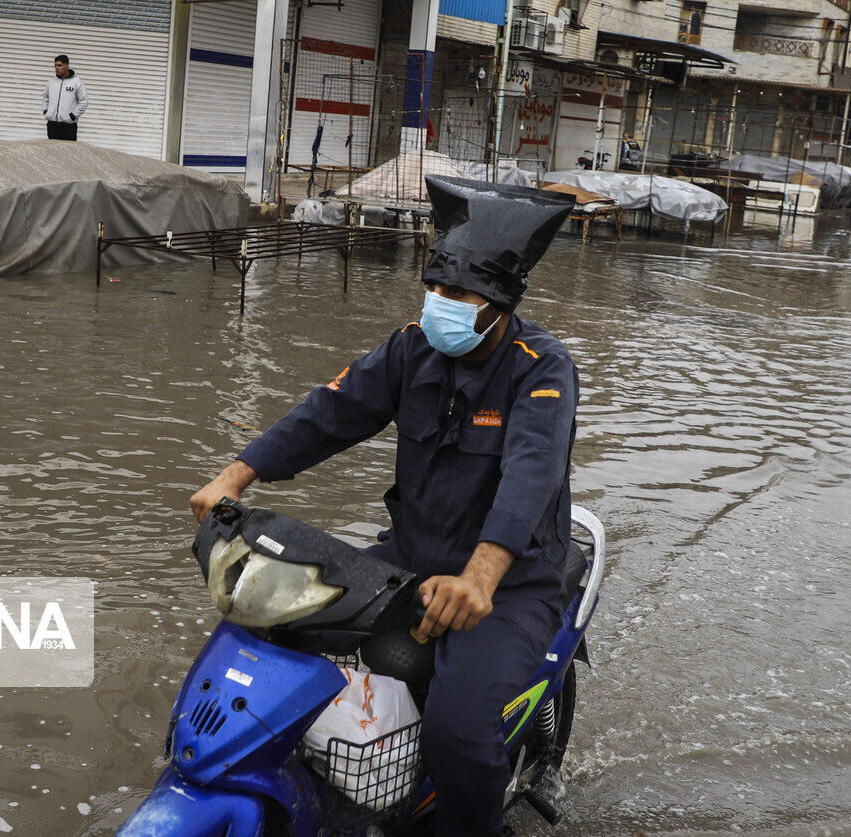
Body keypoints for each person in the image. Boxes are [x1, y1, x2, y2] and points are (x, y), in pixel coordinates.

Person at [190, 175, 578, 837]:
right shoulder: (411, 349)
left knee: (456, 732)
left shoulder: (540, 368)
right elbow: (328, 413)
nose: (438, 303)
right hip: (407, 559)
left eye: (456, 293)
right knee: (270, 637)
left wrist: (480, 576)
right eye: (433, 286)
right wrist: (234, 476)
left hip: (508, 585)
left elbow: (530, 475)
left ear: (499, 301)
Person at [42, 54, 88, 140]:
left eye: (59, 65)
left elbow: (83, 101)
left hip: (68, 126)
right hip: (52, 125)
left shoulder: (76, 82)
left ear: (67, 66)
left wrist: (73, 116)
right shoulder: (51, 81)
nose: (57, 68)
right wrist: (46, 111)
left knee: (68, 152)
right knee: (53, 151)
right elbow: (45, 97)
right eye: (55, 65)